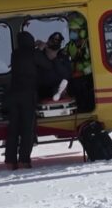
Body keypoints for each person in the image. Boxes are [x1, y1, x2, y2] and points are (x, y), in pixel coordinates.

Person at [5, 31, 52, 170]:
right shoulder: (34, 53)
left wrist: (36, 49)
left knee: (13, 129)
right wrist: (41, 49)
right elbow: (47, 65)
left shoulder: (15, 54)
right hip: (28, 95)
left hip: (13, 95)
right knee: (27, 129)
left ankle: (10, 161)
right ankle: (24, 161)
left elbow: (26, 57)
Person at [64, 14, 95, 112]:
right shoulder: (71, 45)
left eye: (74, 31)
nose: (72, 33)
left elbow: (96, 64)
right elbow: (62, 53)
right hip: (75, 76)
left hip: (88, 77)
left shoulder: (89, 44)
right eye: (71, 31)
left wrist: (82, 72)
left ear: (82, 32)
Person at [35, 32, 72, 101]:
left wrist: (55, 59)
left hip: (56, 89)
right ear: (48, 41)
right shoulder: (40, 54)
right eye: (53, 40)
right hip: (40, 89)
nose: (55, 42)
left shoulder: (63, 56)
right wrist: (38, 49)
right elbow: (31, 63)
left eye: (58, 40)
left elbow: (67, 74)